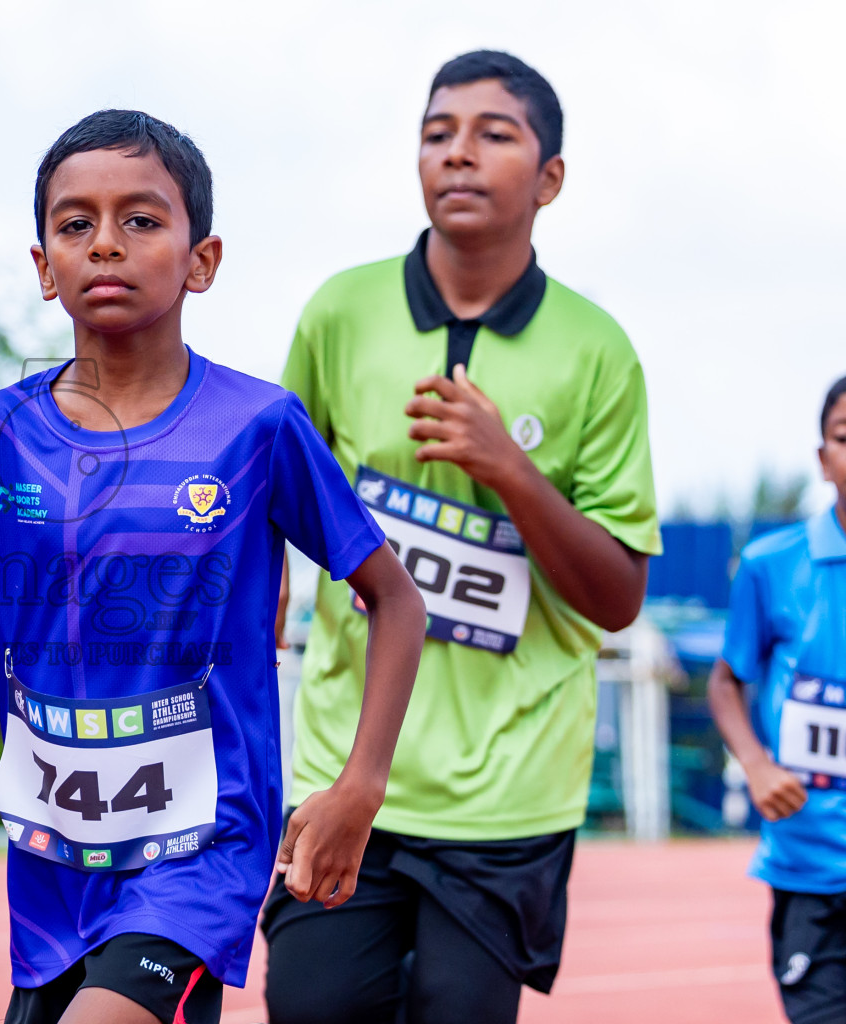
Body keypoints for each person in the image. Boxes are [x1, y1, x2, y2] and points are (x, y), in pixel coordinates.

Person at [0, 109, 425, 1024]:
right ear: (42, 266)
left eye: (141, 220)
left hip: (200, 857)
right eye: (76, 224)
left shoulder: (258, 428)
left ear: (202, 260)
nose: (105, 244)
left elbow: (396, 600)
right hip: (55, 869)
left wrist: (359, 786)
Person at [264, 51, 662, 1024]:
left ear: (550, 177)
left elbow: (617, 597)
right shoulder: (341, 312)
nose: (459, 154)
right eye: (438, 132)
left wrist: (510, 470)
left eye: (495, 133)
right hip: (340, 763)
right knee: (313, 1010)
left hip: (507, 794)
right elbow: (271, 497)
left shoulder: (596, 349)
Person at [708, 376, 846, 1024]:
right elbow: (727, 678)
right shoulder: (771, 564)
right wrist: (757, 765)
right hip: (810, 866)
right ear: (823, 457)